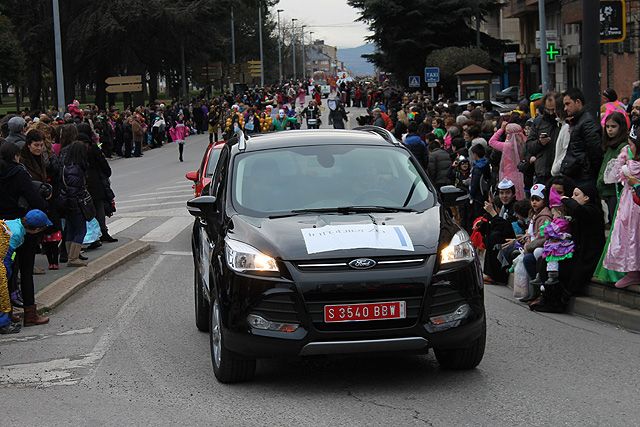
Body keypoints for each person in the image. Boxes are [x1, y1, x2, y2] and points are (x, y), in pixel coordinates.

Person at [531, 182, 605, 312]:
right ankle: (547, 298)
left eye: (576, 195)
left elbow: (578, 209)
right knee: (545, 260)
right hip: (576, 251)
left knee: (560, 267)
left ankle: (556, 302)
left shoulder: (592, 210)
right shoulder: (579, 211)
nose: (572, 197)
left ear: (586, 197)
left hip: (586, 256)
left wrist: (564, 199)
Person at [0, 143, 50, 326]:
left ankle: (8, 312)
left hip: (2, 228)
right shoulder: (19, 173)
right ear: (15, 156)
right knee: (26, 272)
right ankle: (30, 314)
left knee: (5, 273)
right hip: (23, 225)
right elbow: (34, 199)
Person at [603, 126, 640, 288]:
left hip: (637, 203)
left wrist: (635, 183)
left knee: (636, 235)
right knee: (627, 233)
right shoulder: (629, 156)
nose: (629, 147)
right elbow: (611, 177)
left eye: (632, 144)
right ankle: (632, 271)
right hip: (628, 202)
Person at [560, 88, 603, 185]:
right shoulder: (579, 121)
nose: (565, 108)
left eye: (568, 104)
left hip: (584, 177)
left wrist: (587, 170)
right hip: (580, 175)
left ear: (578, 102)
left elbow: (595, 151)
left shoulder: (586, 122)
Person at [482, 178, 518, 284]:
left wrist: (493, 213)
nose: (504, 196)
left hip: (514, 239)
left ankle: (498, 276)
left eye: (508, 193)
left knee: (495, 236)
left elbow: (508, 228)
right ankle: (490, 274)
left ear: (513, 194)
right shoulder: (503, 207)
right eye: (502, 193)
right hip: (505, 238)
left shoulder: (515, 207)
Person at [61, 141, 90, 267]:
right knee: (81, 230)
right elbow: (75, 189)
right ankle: (73, 258)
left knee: (71, 230)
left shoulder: (66, 165)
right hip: (75, 203)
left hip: (67, 203)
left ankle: (70, 255)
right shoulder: (76, 169)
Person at [597, 112, 629, 223]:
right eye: (608, 126)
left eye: (613, 126)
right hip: (606, 192)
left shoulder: (623, 147)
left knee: (616, 223)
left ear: (621, 127)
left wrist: (602, 180)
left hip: (615, 192)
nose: (609, 130)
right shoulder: (609, 146)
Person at [525, 92, 559, 185]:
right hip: (543, 171)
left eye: (554, 109)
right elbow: (529, 146)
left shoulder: (564, 121)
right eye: (548, 110)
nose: (551, 113)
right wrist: (540, 143)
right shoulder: (539, 122)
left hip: (559, 171)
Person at [489, 122, 526, 200]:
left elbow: (491, 142)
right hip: (521, 175)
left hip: (508, 176)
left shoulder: (507, 146)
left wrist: (501, 129)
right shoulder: (524, 143)